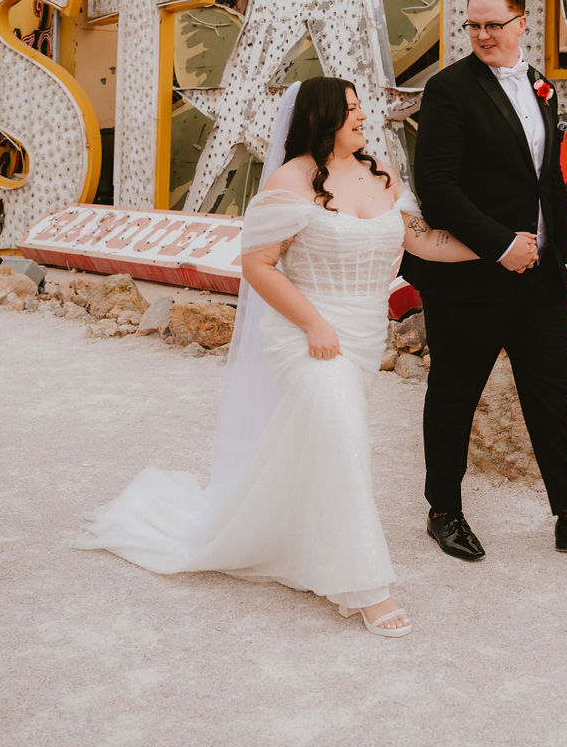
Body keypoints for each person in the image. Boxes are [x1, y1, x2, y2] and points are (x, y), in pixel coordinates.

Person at [75, 76, 476, 638]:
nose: (364, 117)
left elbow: (423, 241)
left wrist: (499, 247)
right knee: (341, 436)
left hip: (361, 335)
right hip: (305, 332)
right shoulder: (290, 183)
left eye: (362, 108)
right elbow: (258, 265)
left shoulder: (378, 174)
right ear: (322, 119)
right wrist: (313, 322)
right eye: (353, 110)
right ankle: (365, 586)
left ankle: (281, 534)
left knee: (318, 442)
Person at [406, 0, 567, 560]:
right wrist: (498, 245)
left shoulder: (542, 86)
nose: (484, 35)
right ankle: (444, 510)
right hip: (470, 279)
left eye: (495, 24)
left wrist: (561, 257)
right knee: (454, 396)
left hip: (538, 278)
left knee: (548, 395)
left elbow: (546, 184)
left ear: (522, 23)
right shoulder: (448, 90)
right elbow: (435, 188)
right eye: (474, 24)